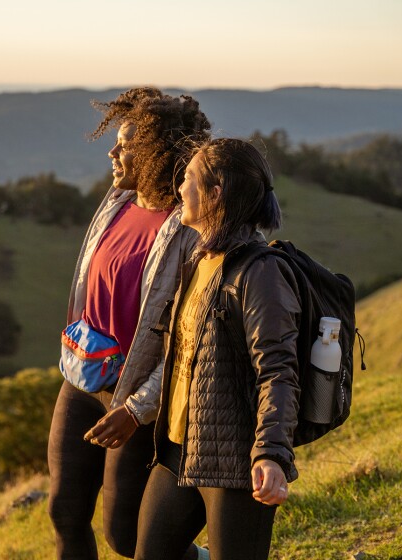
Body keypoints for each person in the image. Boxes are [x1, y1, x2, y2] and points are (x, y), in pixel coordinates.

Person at [48, 87, 211, 560]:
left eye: (127, 145)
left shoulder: (190, 229)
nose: (113, 151)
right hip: (83, 377)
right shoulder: (117, 202)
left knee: (127, 537)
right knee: (64, 511)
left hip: (136, 396)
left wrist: (138, 409)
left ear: (159, 155)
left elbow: (192, 343)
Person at [134, 137, 301, 560]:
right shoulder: (198, 258)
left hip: (234, 464)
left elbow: (278, 370)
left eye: (189, 179)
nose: (180, 190)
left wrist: (271, 453)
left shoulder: (260, 271)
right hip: (176, 450)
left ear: (215, 192)